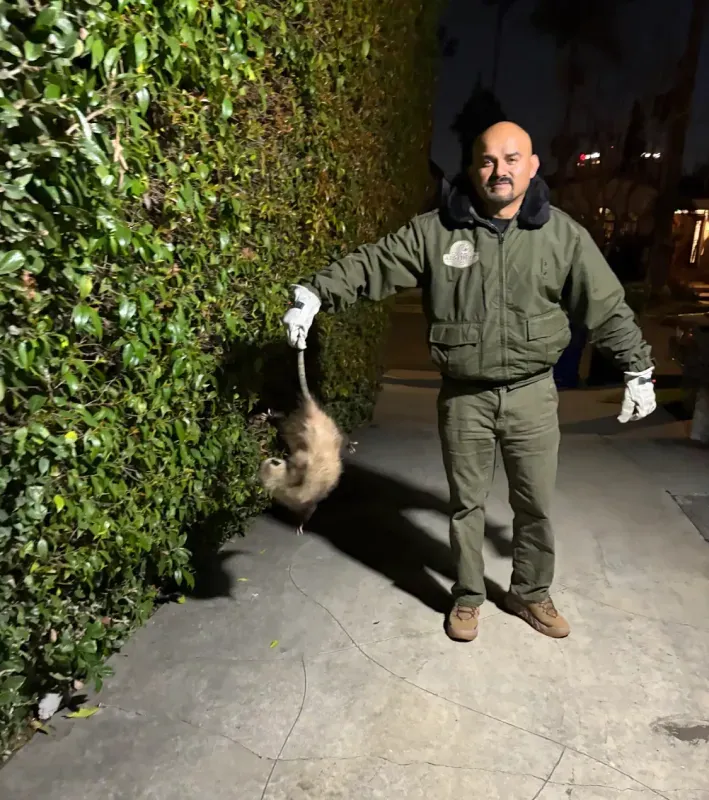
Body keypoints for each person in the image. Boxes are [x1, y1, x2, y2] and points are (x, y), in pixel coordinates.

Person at [281, 121, 657, 643]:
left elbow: (607, 305)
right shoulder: (437, 231)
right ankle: (468, 595)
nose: (499, 170)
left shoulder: (563, 235)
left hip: (532, 393)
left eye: (511, 159)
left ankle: (530, 592)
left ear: (532, 166)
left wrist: (638, 367)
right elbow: (377, 262)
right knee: (467, 506)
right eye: (487, 160)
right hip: (465, 397)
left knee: (534, 505)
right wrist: (317, 292)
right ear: (473, 167)